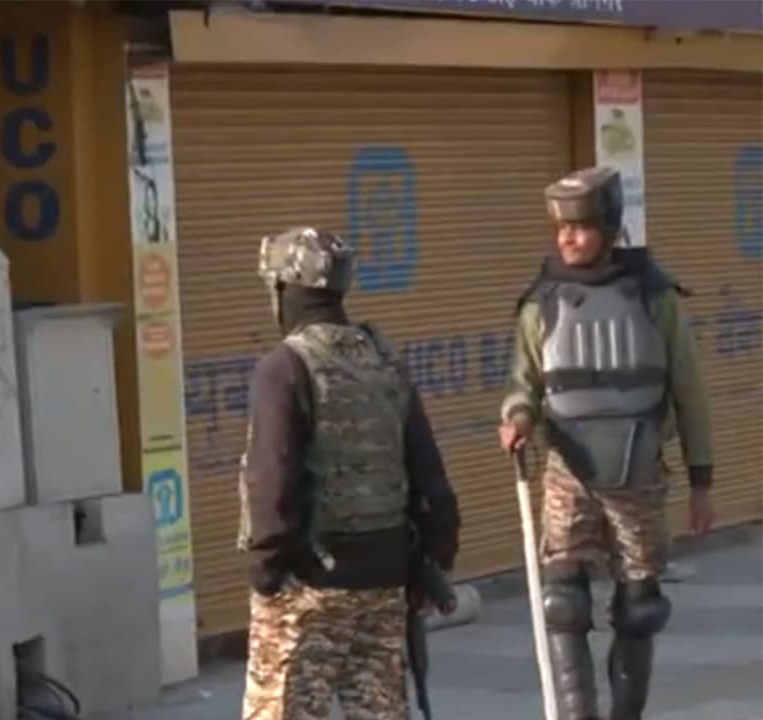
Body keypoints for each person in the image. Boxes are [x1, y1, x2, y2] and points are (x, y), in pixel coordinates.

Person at [497, 166, 715, 720]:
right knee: (563, 601)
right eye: (560, 228)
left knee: (639, 608)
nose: (566, 238)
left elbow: (690, 391)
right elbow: (524, 381)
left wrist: (701, 482)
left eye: (580, 227)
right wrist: (518, 416)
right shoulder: (540, 302)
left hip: (638, 472)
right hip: (568, 470)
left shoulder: (654, 298)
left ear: (611, 228)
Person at [236, 227, 461, 720]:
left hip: (308, 589)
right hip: (383, 581)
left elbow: (270, 481)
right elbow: (432, 478)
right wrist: (432, 560)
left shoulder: (284, 367)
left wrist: (267, 574)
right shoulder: (383, 360)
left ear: (284, 290)